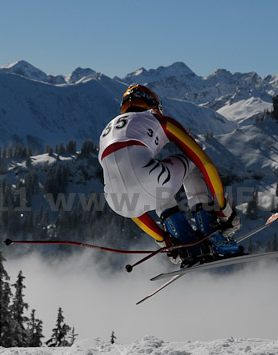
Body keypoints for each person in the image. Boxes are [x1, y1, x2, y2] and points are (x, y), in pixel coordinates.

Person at [98, 84, 241, 265]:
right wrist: (223, 209)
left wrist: (164, 242)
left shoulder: (106, 133)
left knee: (152, 185)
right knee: (190, 161)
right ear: (153, 104)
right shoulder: (158, 119)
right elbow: (205, 164)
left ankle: (186, 245)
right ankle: (212, 236)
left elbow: (126, 191)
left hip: (117, 202)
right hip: (151, 182)